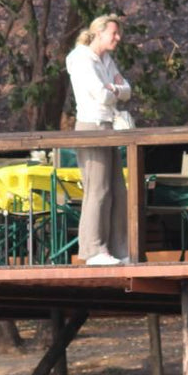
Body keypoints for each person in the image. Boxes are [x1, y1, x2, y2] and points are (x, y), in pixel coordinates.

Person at [66, 14, 132, 266]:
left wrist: (114, 88)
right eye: (114, 33)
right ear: (99, 33)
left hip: (109, 125)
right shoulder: (81, 59)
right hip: (91, 125)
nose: (118, 38)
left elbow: (126, 90)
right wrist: (114, 89)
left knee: (117, 188)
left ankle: (118, 248)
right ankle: (94, 249)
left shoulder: (107, 59)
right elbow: (101, 94)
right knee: (98, 188)